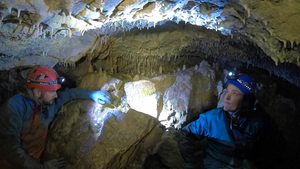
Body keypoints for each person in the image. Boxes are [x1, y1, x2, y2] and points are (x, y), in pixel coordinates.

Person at [0, 65, 113, 169]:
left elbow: (70, 94)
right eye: (52, 91)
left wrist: (92, 94)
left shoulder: (50, 104)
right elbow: (10, 149)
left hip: (35, 160)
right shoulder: (15, 107)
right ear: (38, 93)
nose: (56, 95)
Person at [180, 72, 263, 169]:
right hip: (215, 165)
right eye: (227, 91)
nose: (226, 97)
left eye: (235, 93)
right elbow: (185, 134)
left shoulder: (256, 123)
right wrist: (190, 164)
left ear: (246, 102)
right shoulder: (212, 119)